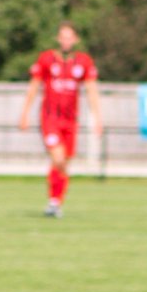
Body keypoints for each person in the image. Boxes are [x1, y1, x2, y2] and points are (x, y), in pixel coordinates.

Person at [18, 22, 103, 217]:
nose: (66, 41)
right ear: (58, 39)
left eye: (69, 37)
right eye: (63, 37)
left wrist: (98, 119)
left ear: (75, 40)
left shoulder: (83, 62)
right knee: (58, 158)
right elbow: (33, 87)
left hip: (71, 121)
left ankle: (54, 202)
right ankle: (55, 199)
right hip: (50, 119)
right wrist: (25, 114)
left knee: (62, 162)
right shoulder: (46, 59)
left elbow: (92, 92)